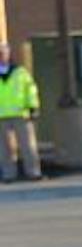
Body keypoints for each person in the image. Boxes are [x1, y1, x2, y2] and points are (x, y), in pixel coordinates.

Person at [0, 43, 42, 184]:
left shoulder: (20, 72)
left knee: (28, 145)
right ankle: (8, 175)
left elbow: (30, 90)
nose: (1, 55)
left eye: (3, 52)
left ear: (8, 54)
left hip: (21, 114)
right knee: (4, 148)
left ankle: (33, 172)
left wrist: (33, 107)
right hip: (1, 116)